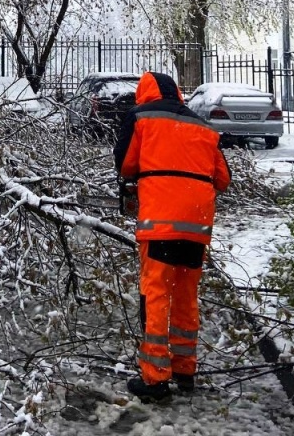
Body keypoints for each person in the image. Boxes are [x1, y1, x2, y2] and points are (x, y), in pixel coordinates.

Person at [113, 71, 231, 401]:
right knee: (184, 296)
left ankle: (155, 378)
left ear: (143, 94)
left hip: (160, 221)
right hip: (197, 225)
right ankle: (184, 370)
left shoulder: (140, 116)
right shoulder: (203, 126)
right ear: (178, 94)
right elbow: (223, 179)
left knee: (156, 294)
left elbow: (125, 163)